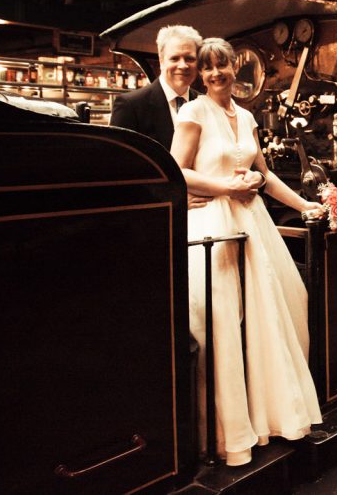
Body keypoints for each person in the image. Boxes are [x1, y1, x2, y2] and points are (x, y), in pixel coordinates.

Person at [170, 37, 324, 467]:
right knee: (225, 324)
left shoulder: (247, 115)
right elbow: (176, 171)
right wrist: (226, 188)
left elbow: (265, 176)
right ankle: (233, 432)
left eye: (221, 66)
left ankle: (274, 415)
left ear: (235, 69)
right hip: (214, 224)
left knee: (276, 312)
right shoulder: (193, 112)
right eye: (207, 68)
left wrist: (303, 204)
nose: (215, 74)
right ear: (201, 75)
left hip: (253, 224)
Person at [110, 24, 202, 151]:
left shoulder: (203, 102)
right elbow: (116, 159)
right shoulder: (131, 105)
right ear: (161, 61)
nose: (183, 65)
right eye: (174, 58)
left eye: (189, 59)